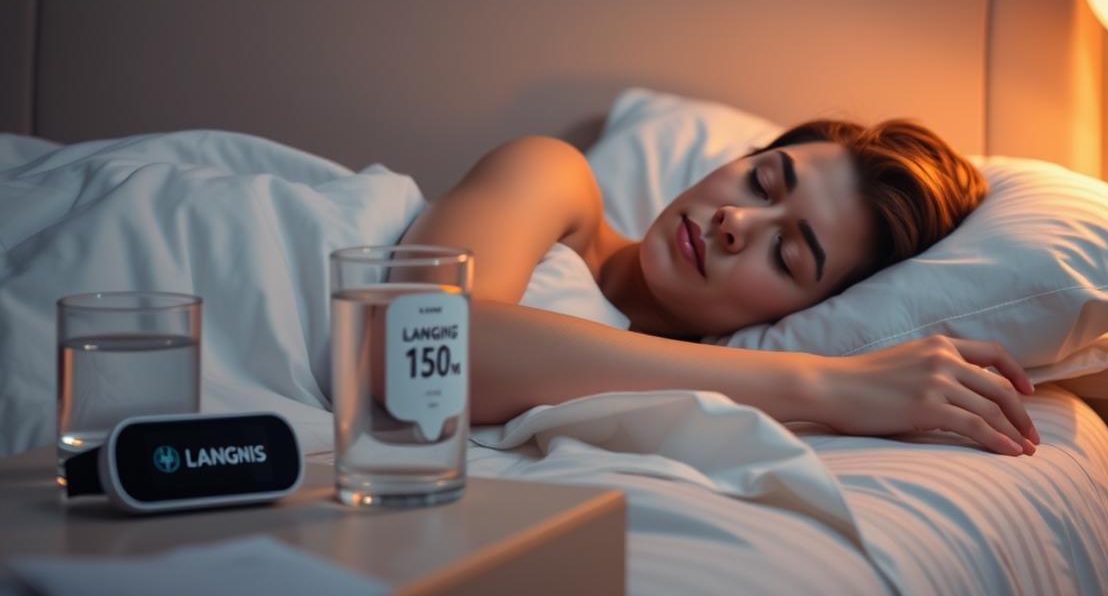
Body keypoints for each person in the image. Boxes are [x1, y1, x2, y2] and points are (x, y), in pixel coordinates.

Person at [397, 118, 1041, 456]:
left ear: (811, 311)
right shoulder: (552, 174)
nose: (736, 222)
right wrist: (826, 383)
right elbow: (419, 349)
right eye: (761, 182)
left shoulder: (696, 380)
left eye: (787, 253)